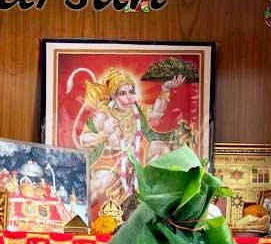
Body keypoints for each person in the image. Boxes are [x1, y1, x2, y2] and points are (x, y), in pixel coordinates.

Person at [76, 68, 191, 216]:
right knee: (98, 187)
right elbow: (84, 139)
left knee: (161, 147)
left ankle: (166, 201)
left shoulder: (137, 110)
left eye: (131, 92)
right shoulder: (102, 115)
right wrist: (104, 133)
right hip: (111, 161)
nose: (130, 97)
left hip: (134, 159)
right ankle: (78, 220)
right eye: (123, 94)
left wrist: (165, 89)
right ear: (113, 96)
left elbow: (157, 113)